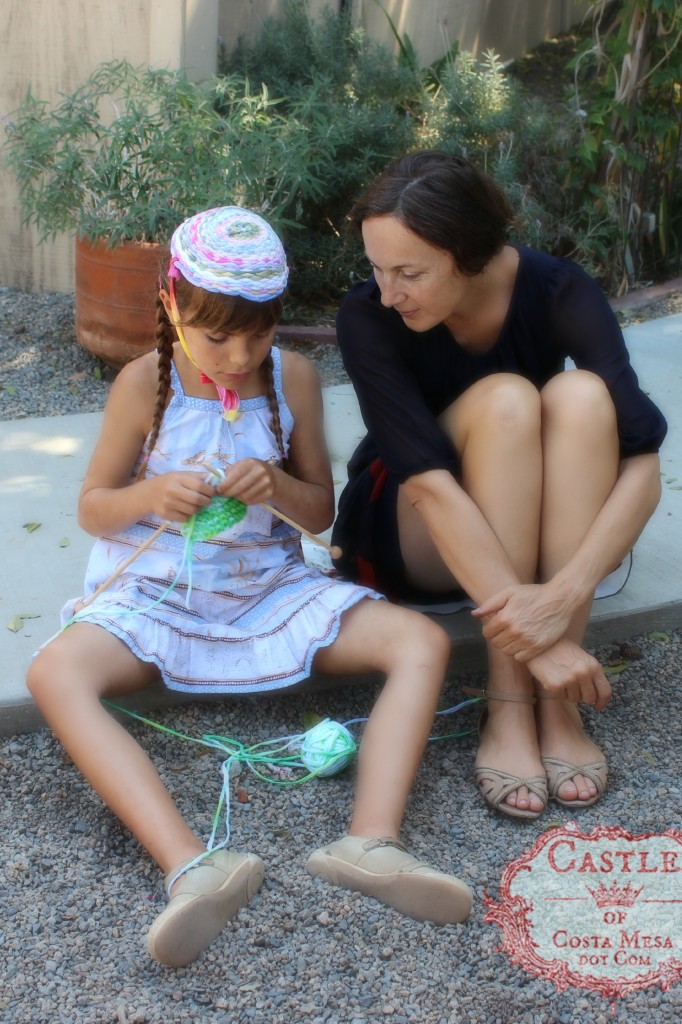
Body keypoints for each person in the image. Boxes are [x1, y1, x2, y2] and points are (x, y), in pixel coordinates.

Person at [27, 206, 473, 969]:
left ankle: (369, 841)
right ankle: (194, 867)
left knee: (422, 640)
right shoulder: (144, 385)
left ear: (277, 324)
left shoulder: (291, 378)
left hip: (268, 591)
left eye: (258, 334)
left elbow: (318, 510)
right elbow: (93, 508)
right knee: (52, 672)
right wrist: (150, 496)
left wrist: (273, 486)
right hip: (160, 597)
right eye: (217, 336)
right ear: (173, 307)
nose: (238, 355)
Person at [331, 151, 667, 822]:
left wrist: (568, 593)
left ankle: (557, 705)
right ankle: (512, 699)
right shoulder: (369, 316)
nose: (388, 292)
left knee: (581, 397)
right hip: (414, 530)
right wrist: (542, 642)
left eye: (409, 273)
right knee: (509, 400)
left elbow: (643, 464)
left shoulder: (557, 290)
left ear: (472, 255)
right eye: (376, 267)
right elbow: (427, 486)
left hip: (529, 539)